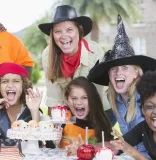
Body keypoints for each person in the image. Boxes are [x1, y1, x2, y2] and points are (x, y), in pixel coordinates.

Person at [88, 15, 156, 159]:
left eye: (125, 68)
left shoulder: (147, 98)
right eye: (113, 69)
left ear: (136, 73)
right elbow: (121, 143)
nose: (118, 72)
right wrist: (87, 147)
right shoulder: (114, 98)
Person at [39, 5, 110, 113]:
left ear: (79, 31)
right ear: (52, 35)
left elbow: (97, 94)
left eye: (69, 30)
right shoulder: (47, 54)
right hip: (68, 110)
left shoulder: (95, 52)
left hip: (99, 110)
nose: (64, 35)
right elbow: (54, 97)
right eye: (58, 31)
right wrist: (55, 124)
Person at [0, 62, 41, 143]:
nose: (10, 85)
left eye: (16, 81)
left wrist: (34, 111)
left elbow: (38, 144)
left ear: (23, 86)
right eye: (5, 81)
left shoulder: (32, 110)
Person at [110, 70, 156, 160]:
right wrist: (86, 146)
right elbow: (119, 144)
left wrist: (128, 149)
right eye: (150, 107)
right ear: (142, 109)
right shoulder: (144, 128)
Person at [60, 77, 112, 149]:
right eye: (74, 98)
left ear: (92, 100)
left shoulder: (101, 121)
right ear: (66, 100)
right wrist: (54, 141)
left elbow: (109, 148)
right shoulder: (62, 118)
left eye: (84, 98)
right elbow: (49, 147)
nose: (79, 103)